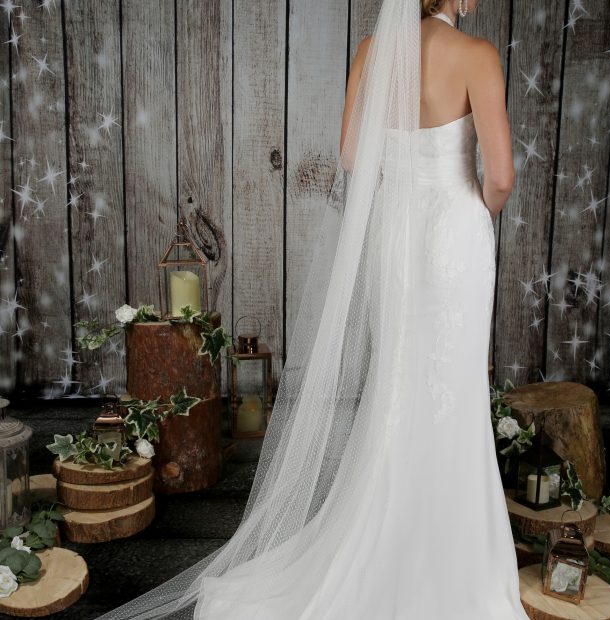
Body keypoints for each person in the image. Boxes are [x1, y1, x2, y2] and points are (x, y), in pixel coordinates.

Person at [98, 0, 530, 618]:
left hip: (393, 233)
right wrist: (476, 211)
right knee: (451, 387)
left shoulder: (374, 52)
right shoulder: (478, 55)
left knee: (396, 381)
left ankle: (381, 533)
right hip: (452, 236)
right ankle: (447, 553)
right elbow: (502, 177)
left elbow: (352, 156)